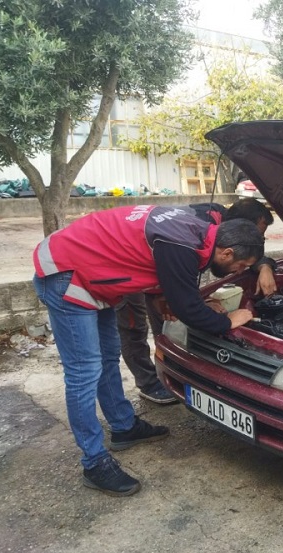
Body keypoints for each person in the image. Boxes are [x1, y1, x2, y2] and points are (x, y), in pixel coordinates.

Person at [32, 205, 264, 497]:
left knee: (106, 358)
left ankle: (123, 426)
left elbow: (152, 261)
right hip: (68, 273)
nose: (240, 272)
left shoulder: (196, 232)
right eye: (241, 267)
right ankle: (94, 462)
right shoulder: (183, 244)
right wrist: (230, 319)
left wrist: (160, 299)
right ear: (227, 253)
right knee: (84, 371)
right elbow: (189, 309)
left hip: (94, 273)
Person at [116, 199, 278, 404]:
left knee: (173, 312)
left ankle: (180, 371)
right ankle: (151, 382)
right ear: (240, 228)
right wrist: (204, 311)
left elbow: (246, 253)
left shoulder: (222, 222)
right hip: (128, 267)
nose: (259, 239)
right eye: (257, 234)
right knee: (137, 326)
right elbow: (177, 276)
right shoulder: (198, 227)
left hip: (162, 266)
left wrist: (265, 267)